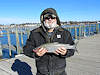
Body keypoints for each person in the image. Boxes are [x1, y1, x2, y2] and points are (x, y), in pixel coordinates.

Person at [23, 8, 75, 75]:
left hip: (60, 72)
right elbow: (26, 49)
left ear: (56, 19)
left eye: (53, 17)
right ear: (43, 20)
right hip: (42, 72)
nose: (50, 19)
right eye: (47, 17)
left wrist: (65, 53)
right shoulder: (34, 33)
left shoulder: (65, 33)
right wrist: (36, 54)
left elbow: (72, 50)